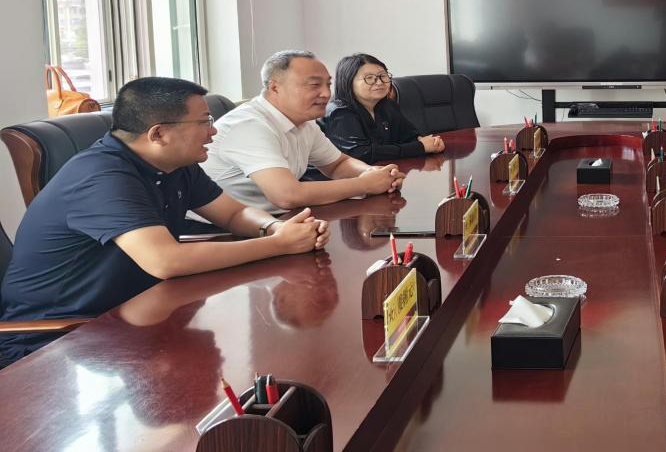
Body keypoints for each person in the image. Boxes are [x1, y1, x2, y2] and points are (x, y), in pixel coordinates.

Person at [0, 77, 329, 363]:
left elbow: (233, 212)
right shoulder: (101, 176)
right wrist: (278, 245)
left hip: (134, 316)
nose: (213, 131)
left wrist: (274, 227)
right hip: (56, 340)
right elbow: (165, 261)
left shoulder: (176, 163)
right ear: (158, 134)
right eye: (204, 122)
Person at [201, 51, 406, 212]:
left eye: (328, 84)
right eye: (314, 85)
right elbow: (287, 195)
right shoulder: (249, 126)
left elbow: (337, 164)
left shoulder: (304, 122)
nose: (326, 93)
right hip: (223, 232)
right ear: (275, 87)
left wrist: (372, 173)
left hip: (278, 221)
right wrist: (364, 185)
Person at [319, 53, 444, 163]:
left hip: (378, 172)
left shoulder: (387, 106)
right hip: (331, 179)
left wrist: (429, 142)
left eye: (383, 76)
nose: (379, 82)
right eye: (369, 78)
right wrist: (420, 147)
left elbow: (408, 135)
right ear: (348, 82)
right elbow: (361, 153)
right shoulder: (340, 112)